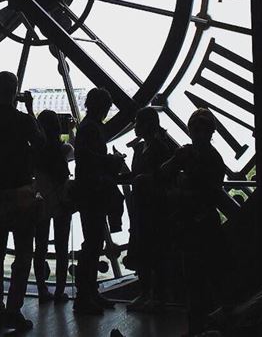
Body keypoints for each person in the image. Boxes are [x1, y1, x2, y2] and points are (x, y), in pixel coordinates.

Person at [0, 71, 45, 332]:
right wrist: (30, 111)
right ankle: (14, 309)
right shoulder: (23, 121)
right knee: (23, 254)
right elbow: (40, 145)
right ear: (15, 90)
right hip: (21, 193)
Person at [161, 107, 226, 333]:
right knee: (211, 281)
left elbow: (163, 173)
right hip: (204, 225)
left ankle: (196, 328)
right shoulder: (214, 160)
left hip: (189, 227)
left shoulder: (186, 155)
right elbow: (211, 193)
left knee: (193, 283)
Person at [73, 87, 124, 315]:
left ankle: (86, 294)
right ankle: (88, 294)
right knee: (93, 244)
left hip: (88, 192)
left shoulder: (86, 128)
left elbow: (83, 158)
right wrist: (109, 161)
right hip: (94, 192)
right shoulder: (92, 128)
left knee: (91, 244)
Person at [126, 107, 174, 312]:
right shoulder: (161, 149)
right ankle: (157, 295)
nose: (135, 125)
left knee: (145, 251)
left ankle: (147, 292)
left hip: (144, 208)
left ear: (146, 124)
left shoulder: (141, 149)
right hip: (155, 208)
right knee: (155, 253)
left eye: (138, 122)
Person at [32, 110, 74, 303]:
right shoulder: (63, 149)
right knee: (62, 247)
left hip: (41, 201)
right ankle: (60, 290)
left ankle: (42, 289)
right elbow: (71, 151)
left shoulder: (37, 150)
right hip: (61, 201)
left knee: (39, 247)